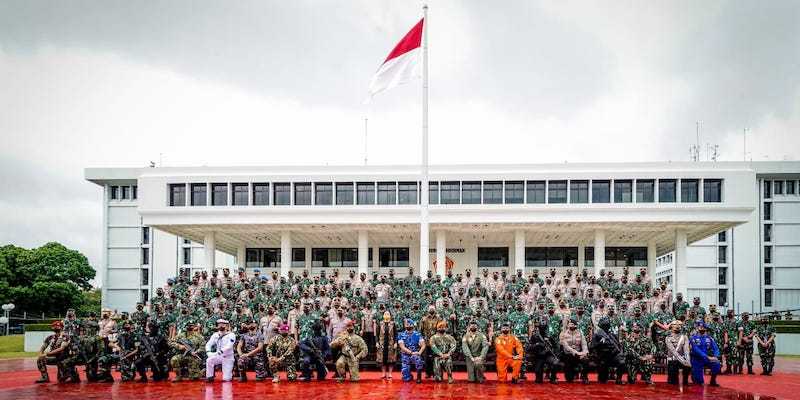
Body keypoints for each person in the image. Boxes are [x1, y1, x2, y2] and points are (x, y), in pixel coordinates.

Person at [590, 317, 626, 384]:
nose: (607, 325)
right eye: (605, 323)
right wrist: (597, 357)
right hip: (602, 358)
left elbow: (619, 346)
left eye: (607, 323)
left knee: (622, 362)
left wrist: (620, 354)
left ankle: (618, 379)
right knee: (602, 380)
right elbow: (592, 347)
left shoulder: (613, 335)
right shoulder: (597, 335)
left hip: (613, 356)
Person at [528, 316, 559, 384]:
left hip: (548, 355)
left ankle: (553, 378)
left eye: (544, 327)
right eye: (541, 327)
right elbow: (529, 347)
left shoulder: (550, 335)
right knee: (538, 380)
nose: (543, 329)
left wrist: (555, 354)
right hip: (539, 356)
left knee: (555, 363)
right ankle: (539, 376)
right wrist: (537, 344)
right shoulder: (534, 335)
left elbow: (556, 346)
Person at [690, 320, 721, 386]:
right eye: (700, 327)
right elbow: (696, 349)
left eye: (703, 327)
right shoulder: (693, 338)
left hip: (706, 359)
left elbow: (716, 348)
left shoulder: (709, 338)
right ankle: (695, 376)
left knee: (717, 364)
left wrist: (716, 356)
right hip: (696, 359)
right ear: (697, 328)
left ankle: (713, 381)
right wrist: (707, 357)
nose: (702, 329)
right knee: (699, 382)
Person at [560, 318, 589, 384]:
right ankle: (571, 375)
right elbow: (566, 346)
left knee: (586, 360)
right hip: (568, 355)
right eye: (569, 324)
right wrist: (575, 352)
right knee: (569, 379)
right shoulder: (564, 333)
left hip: (579, 354)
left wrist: (585, 352)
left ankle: (584, 377)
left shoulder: (580, 333)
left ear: (575, 325)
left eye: (572, 324)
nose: (570, 325)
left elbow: (584, 344)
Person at [397, 318, 426, 383]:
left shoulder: (418, 334)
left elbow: (423, 345)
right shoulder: (401, 335)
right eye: (406, 324)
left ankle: (419, 377)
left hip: (416, 354)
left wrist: (419, 353)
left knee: (418, 360)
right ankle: (408, 376)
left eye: (409, 324)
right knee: (406, 379)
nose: (408, 325)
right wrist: (411, 352)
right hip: (405, 354)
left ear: (413, 325)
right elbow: (402, 347)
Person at [665, 320, 691, 386]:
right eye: (675, 325)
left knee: (688, 366)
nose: (677, 326)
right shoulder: (668, 338)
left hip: (682, 359)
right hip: (672, 360)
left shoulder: (684, 337)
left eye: (679, 325)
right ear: (671, 327)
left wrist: (687, 361)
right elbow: (673, 351)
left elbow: (686, 350)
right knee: (673, 382)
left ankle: (685, 381)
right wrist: (683, 361)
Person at [375, 310, 397, 380]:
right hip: (382, 343)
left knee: (391, 359)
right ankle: (383, 373)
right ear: (383, 315)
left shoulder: (393, 324)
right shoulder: (380, 323)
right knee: (382, 359)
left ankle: (390, 373)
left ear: (390, 315)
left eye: (388, 314)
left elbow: (396, 334)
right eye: (385, 313)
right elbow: (377, 334)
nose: (386, 315)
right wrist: (377, 342)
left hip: (391, 343)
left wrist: (395, 342)